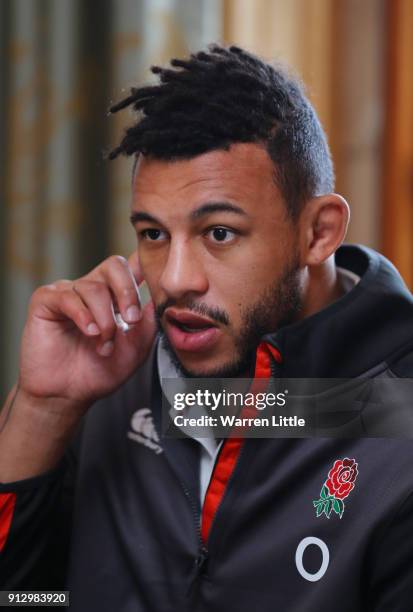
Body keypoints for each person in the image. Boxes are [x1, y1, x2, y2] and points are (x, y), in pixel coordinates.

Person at [1, 44, 413, 611]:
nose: (174, 279)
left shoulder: (400, 418)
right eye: (152, 234)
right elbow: (27, 599)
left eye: (218, 233)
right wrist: (43, 411)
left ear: (318, 232)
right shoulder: (108, 379)